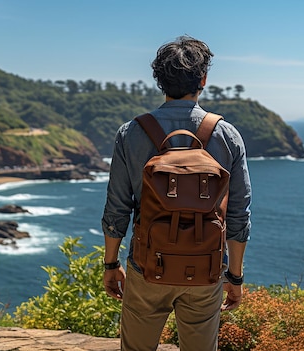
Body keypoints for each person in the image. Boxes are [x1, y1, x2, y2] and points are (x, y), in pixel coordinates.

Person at [100, 36, 252, 351]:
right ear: (204, 80)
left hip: (146, 266)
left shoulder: (132, 134)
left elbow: (117, 209)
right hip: (206, 269)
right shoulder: (227, 135)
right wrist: (234, 276)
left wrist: (111, 264)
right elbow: (238, 215)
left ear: (159, 81)